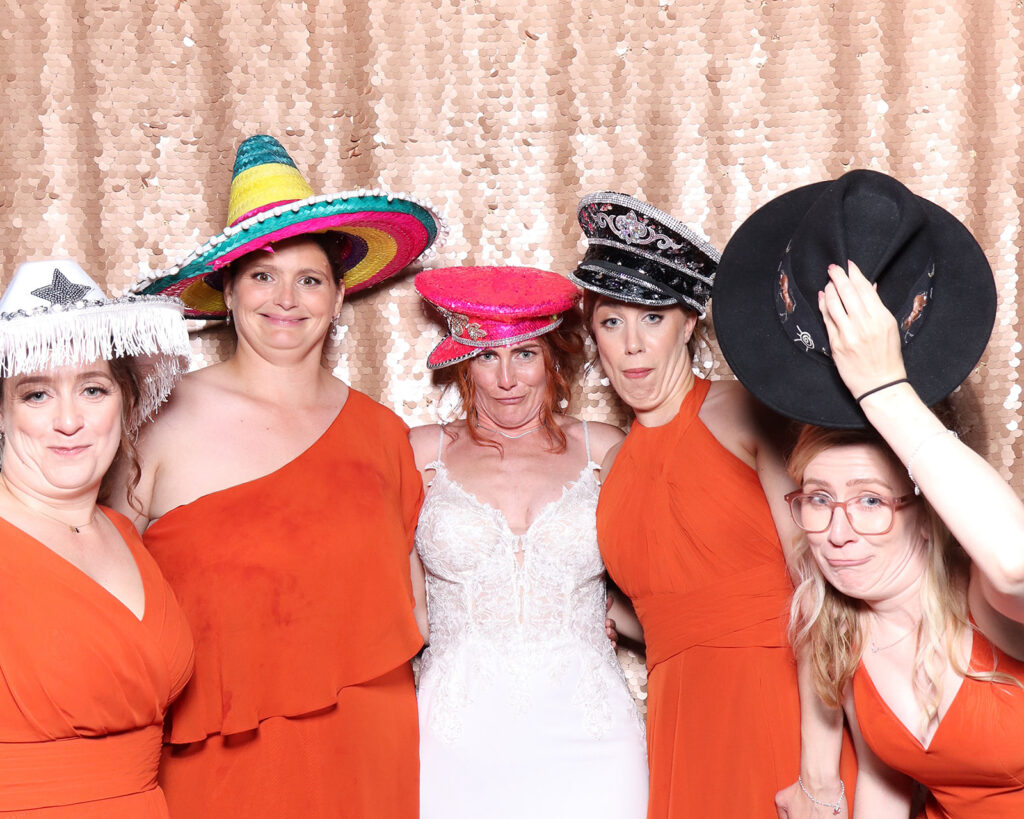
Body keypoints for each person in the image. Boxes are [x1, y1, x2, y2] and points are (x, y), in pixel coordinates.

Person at [118, 134, 444, 817]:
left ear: (338, 293)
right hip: (217, 763)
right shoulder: (156, 420)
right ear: (228, 291)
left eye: (309, 278)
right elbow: (100, 599)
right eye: (262, 275)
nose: (285, 298)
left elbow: (417, 609)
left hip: (367, 753)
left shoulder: (383, 433)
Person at [714, 169, 1022, 817]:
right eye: (818, 498)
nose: (836, 529)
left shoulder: (987, 606)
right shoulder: (841, 632)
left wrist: (885, 392)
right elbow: (884, 794)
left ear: (925, 509)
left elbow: (1015, 560)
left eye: (872, 500)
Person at [569, 192, 856, 818]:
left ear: (690, 321)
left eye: (652, 318)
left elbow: (821, 591)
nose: (633, 346)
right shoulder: (614, 464)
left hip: (777, 707)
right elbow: (675, 614)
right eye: (611, 322)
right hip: (680, 719)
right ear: (594, 336)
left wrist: (818, 775)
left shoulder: (738, 410)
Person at [410, 265, 648, 819]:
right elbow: (402, 605)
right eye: (488, 356)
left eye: (524, 354)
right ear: (463, 360)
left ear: (552, 358)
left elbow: (654, 581)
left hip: (589, 727)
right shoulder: (420, 453)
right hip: (459, 729)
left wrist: (612, 618)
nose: (507, 379)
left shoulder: (605, 449)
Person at [0, 258, 193, 816]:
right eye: (36, 394)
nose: (68, 420)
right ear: (3, 414)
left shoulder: (123, 533)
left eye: (92, 389)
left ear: (125, 402)